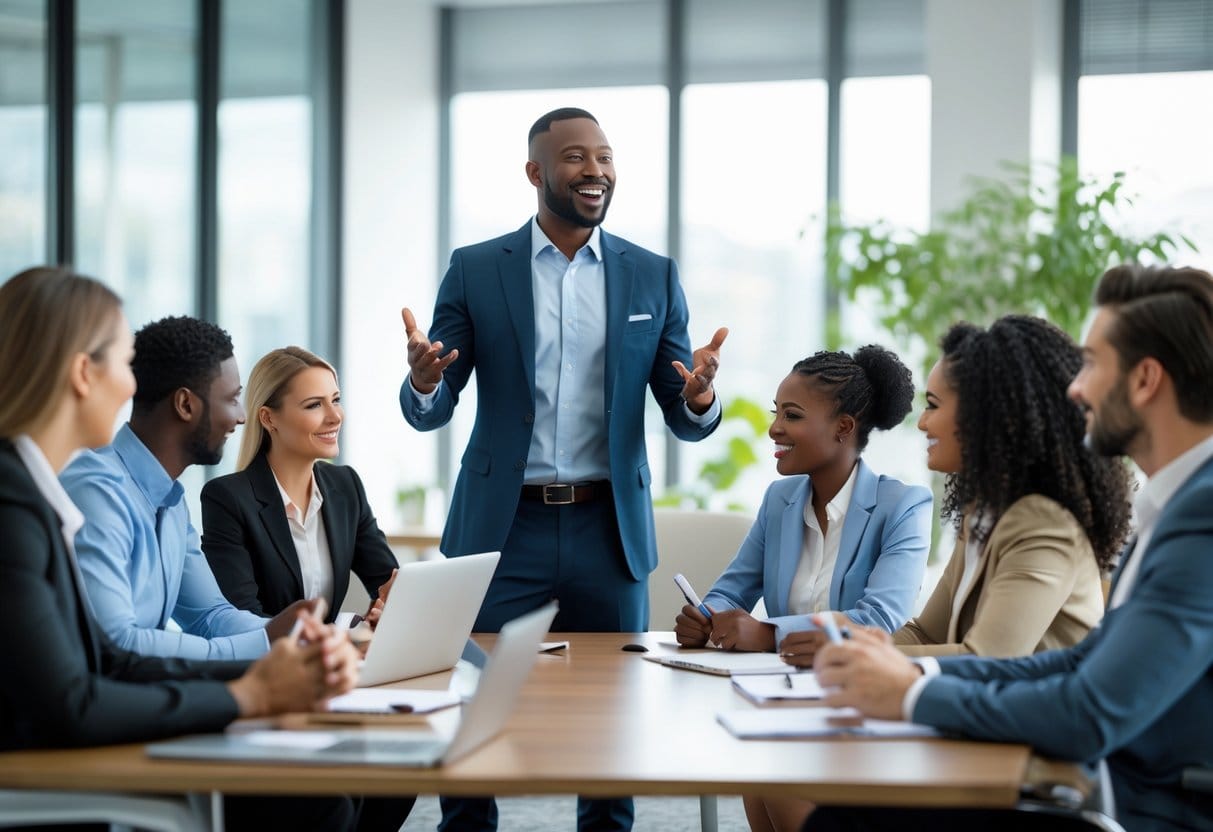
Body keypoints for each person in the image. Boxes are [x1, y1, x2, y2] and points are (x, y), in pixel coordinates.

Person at [400, 106, 727, 832]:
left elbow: (682, 411)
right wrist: (424, 380)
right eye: (576, 156)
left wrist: (699, 396)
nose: (595, 170)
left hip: (606, 528)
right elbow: (433, 405)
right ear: (535, 172)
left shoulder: (651, 274)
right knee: (473, 701)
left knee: (613, 711)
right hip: (500, 527)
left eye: (605, 157)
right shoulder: (477, 268)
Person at [807, 264, 1213, 832]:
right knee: (842, 810)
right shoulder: (1174, 504)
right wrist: (902, 670)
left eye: (1092, 364)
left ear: (1145, 380)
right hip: (1100, 785)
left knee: (842, 816)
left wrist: (911, 694)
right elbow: (1082, 662)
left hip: (1137, 810)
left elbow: (1090, 714)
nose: (1075, 388)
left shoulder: (1201, 514)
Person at [0, 266, 370, 832]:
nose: (131, 387)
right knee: (319, 801)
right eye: (123, 364)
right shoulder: (25, 504)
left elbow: (111, 657)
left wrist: (277, 659)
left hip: (86, 747)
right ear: (83, 374)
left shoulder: (58, 495)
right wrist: (249, 694)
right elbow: (79, 694)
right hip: (58, 779)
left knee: (335, 787)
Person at [782, 316, 1132, 667]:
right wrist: (848, 644)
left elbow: (988, 659)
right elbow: (925, 634)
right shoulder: (982, 510)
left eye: (933, 405)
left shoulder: (1044, 523)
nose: (922, 422)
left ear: (986, 417)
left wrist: (856, 653)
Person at [60, 316, 316, 660]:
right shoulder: (97, 491)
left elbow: (210, 617)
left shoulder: (171, 502)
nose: (241, 417)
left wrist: (303, 633)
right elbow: (115, 642)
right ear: (185, 405)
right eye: (232, 399)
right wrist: (266, 642)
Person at [673, 346, 932, 657]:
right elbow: (730, 593)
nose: (774, 428)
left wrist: (770, 634)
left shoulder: (903, 508)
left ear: (844, 427)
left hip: (855, 680)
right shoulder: (779, 500)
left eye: (792, 415)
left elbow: (880, 620)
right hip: (775, 680)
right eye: (777, 413)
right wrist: (707, 618)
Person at [201, 346, 399, 626]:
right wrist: (343, 632)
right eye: (314, 405)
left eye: (335, 400)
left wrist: (384, 612)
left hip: (332, 652)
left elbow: (388, 583)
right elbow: (242, 619)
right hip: (270, 654)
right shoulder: (227, 499)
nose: (335, 416)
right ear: (269, 418)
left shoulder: (346, 486)